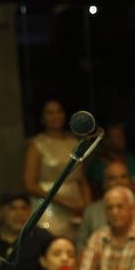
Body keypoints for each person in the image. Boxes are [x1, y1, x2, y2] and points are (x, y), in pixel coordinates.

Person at [24, 99, 92, 239]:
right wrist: (63, 201)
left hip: (76, 207)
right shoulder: (37, 145)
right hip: (49, 207)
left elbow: (82, 180)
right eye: (50, 113)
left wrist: (87, 205)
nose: (56, 116)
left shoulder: (74, 142)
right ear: (42, 118)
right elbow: (29, 184)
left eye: (59, 111)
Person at [77, 158, 135, 249]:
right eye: (112, 178)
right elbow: (81, 247)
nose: (119, 181)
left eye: (123, 176)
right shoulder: (91, 211)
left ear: (131, 180)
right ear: (104, 183)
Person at [85, 122, 135, 194]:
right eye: (117, 137)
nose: (122, 139)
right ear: (106, 141)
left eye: (122, 136)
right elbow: (94, 189)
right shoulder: (98, 164)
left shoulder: (130, 158)